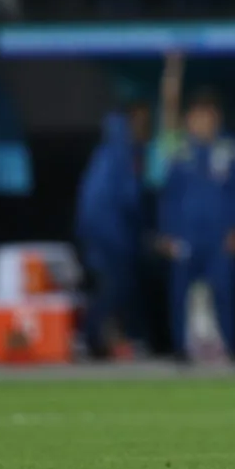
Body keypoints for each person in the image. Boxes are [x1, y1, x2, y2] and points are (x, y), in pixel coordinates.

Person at [158, 80, 235, 362]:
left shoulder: (229, 152)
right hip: (186, 237)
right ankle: (180, 349)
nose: (202, 122)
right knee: (180, 294)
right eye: (197, 116)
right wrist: (166, 234)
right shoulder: (179, 154)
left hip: (219, 236)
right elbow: (168, 198)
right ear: (189, 119)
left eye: (208, 116)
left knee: (224, 290)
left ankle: (231, 347)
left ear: (216, 118)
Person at [75, 102, 152, 359]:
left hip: (102, 235)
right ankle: (88, 338)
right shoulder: (121, 153)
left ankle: (103, 339)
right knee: (114, 288)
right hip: (109, 237)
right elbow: (129, 199)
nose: (145, 128)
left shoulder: (108, 151)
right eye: (140, 122)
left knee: (116, 288)